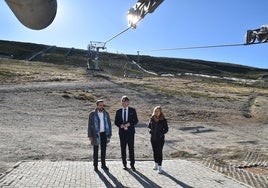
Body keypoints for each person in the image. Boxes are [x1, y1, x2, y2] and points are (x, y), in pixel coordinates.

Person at [115, 96, 138, 170]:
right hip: (122, 132)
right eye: (122, 101)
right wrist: (120, 125)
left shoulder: (132, 110)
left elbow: (136, 121)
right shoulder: (118, 111)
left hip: (130, 132)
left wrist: (130, 124)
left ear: (128, 102)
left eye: (125, 101)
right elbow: (116, 122)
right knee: (123, 148)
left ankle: (132, 164)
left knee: (131, 148)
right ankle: (124, 164)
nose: (124, 102)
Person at [88, 100, 112, 171]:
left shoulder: (106, 113)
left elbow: (109, 124)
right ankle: (95, 165)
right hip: (95, 134)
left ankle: (103, 165)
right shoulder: (92, 114)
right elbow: (89, 125)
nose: (101, 106)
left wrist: (109, 133)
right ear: (97, 106)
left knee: (103, 150)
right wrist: (90, 135)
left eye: (102, 105)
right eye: (100, 105)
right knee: (95, 150)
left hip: (104, 133)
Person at [148, 106, 168, 174]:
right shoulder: (151, 119)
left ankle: (160, 166)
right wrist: (150, 131)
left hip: (160, 139)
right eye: (155, 111)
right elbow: (149, 127)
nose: (156, 112)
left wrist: (161, 134)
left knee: (159, 152)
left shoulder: (163, 120)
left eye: (158, 111)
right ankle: (156, 163)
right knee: (155, 151)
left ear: (160, 112)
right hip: (153, 138)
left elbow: (166, 129)